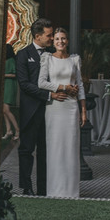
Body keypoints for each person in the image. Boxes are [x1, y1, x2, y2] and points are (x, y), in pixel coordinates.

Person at [15, 18, 68, 195]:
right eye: (49, 35)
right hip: (30, 111)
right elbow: (24, 84)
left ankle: (44, 188)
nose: (52, 38)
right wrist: (48, 94)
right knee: (26, 150)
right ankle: (26, 187)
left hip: (51, 111)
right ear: (37, 36)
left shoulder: (54, 53)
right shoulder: (23, 55)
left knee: (46, 152)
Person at [37, 27, 86, 198]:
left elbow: (80, 85)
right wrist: (63, 87)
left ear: (67, 41)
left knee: (71, 147)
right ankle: (54, 190)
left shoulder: (74, 60)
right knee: (55, 147)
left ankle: (71, 191)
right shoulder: (47, 58)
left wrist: (83, 110)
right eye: (57, 39)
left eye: (63, 38)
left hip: (72, 108)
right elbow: (41, 83)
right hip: (55, 107)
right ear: (54, 41)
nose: (60, 42)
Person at [1, 44, 19, 141]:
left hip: (10, 86)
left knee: (6, 110)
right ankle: (8, 131)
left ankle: (17, 130)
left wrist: (2, 75)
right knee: (3, 110)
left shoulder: (11, 60)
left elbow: (14, 74)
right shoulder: (5, 60)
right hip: (5, 85)